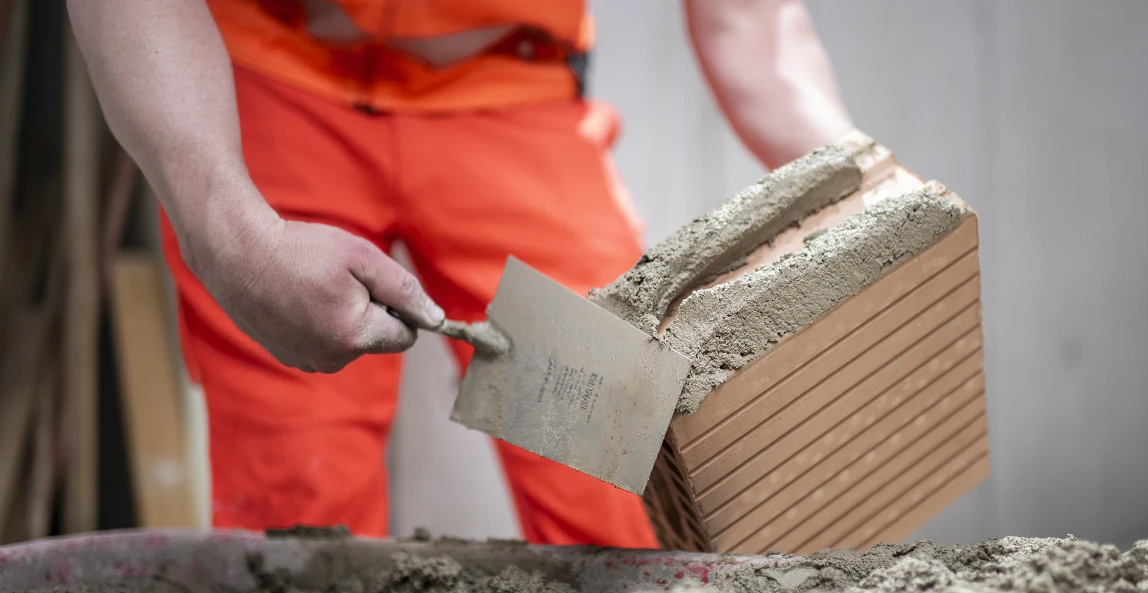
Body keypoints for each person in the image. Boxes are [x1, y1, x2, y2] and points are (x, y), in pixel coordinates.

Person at [67, 0, 856, 546]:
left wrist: (864, 187)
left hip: (508, 91)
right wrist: (232, 237)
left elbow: (752, 28)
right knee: (297, 518)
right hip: (270, 79)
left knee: (623, 481)